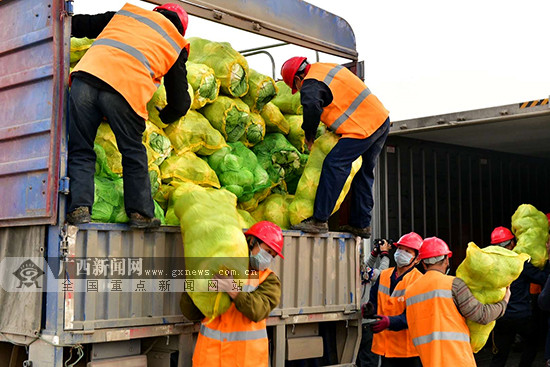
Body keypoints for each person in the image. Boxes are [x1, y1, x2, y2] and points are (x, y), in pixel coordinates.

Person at [67, 3, 191, 229]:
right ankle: (140, 213)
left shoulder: (129, 15)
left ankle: (79, 208)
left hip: (85, 79)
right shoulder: (175, 41)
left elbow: (81, 25)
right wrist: (166, 116)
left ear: (156, 12)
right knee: (132, 151)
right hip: (124, 89)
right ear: (181, 29)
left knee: (81, 148)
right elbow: (180, 101)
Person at [281, 57, 390, 238]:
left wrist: (309, 136)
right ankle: (361, 224)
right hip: (381, 120)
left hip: (362, 128)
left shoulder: (310, 83)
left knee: (335, 164)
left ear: (298, 79)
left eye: (296, 88)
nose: (299, 90)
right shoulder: (325, 68)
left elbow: (311, 106)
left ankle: (319, 220)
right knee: (364, 172)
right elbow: (340, 98)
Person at [180, 221, 283, 367]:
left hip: (246, 362)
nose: (268, 259)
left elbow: (258, 311)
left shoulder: (269, 280)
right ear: (252, 242)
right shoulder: (219, 268)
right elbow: (191, 313)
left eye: (272, 256)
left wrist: (233, 290)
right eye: (267, 251)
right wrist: (194, 287)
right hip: (210, 360)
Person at [405, 237, 510, 367]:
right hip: (457, 360)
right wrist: (504, 302)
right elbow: (482, 315)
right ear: (446, 260)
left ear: (423, 263)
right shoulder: (453, 284)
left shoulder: (410, 291)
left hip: (428, 361)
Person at [489, 226, 550, 367]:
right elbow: (543, 277)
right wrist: (547, 260)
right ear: (512, 243)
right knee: (533, 342)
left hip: (500, 316)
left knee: (499, 356)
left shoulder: (489, 265)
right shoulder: (521, 262)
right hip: (522, 316)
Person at [368, 232, 424, 367]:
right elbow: (375, 301)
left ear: (417, 259)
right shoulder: (384, 275)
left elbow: (415, 316)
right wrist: (369, 309)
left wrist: (389, 322)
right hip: (386, 349)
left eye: (407, 251)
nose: (401, 253)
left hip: (409, 351)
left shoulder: (419, 281)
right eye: (399, 249)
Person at [356, 239, 392, 367]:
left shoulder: (352, 268)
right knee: (369, 361)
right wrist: (385, 254)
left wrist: (374, 253)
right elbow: (382, 275)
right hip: (367, 323)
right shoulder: (363, 270)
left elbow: (366, 268)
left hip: (357, 323)